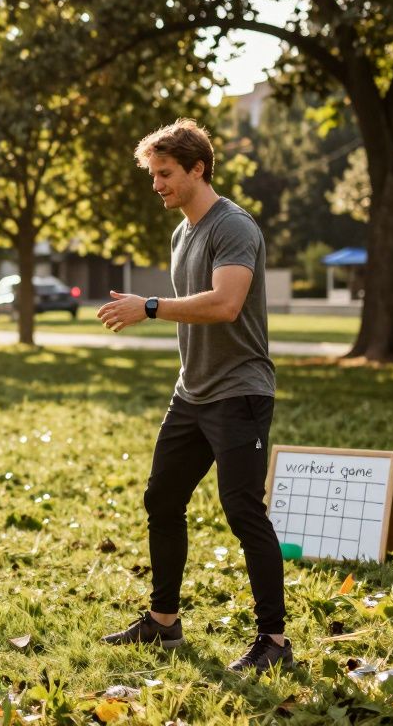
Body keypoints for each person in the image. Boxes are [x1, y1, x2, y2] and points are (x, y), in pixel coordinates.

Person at [96, 118, 289, 673]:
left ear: (197, 168)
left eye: (166, 174)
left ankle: (274, 642)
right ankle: (163, 622)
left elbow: (226, 303)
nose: (157, 184)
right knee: (162, 499)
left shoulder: (234, 227)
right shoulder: (182, 231)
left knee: (243, 511)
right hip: (193, 393)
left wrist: (149, 306)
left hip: (239, 393)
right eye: (154, 174)